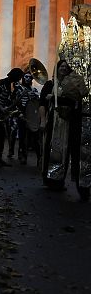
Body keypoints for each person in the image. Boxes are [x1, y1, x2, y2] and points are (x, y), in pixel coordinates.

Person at [42, 60, 90, 200]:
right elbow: (45, 102)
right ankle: (54, 182)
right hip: (60, 124)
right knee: (57, 152)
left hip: (76, 124)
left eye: (66, 67)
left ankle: (83, 190)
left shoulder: (76, 81)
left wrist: (56, 98)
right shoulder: (53, 84)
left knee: (79, 157)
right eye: (61, 66)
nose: (64, 68)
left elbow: (75, 100)